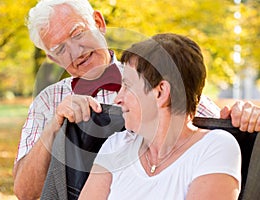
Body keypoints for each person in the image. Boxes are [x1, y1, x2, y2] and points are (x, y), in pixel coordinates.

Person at [12, 0, 260, 199]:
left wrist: (245, 117)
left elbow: (197, 124)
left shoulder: (151, 75)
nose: (76, 52)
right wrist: (54, 126)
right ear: (53, 60)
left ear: (98, 23)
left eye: (77, 34)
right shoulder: (47, 102)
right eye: (60, 50)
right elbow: (25, 192)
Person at [79, 33, 241, 199]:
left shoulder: (215, 147)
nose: (118, 99)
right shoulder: (117, 145)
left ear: (161, 92)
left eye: (128, 86)